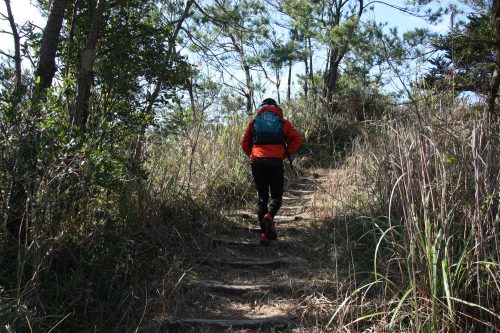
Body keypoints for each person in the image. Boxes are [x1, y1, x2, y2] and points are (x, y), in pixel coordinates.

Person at [241, 98, 303, 244]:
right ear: (276, 108)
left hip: (257, 162)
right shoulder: (282, 122)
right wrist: (283, 153)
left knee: (262, 197)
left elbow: (244, 143)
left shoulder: (255, 122)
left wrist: (253, 155)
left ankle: (264, 233)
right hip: (275, 161)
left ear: (261, 108)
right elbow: (297, 139)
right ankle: (270, 216)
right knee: (276, 197)